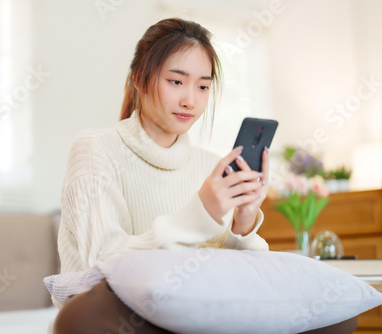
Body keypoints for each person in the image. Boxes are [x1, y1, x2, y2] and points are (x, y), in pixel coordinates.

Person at [50, 18, 357, 334]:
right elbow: (104, 262)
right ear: (139, 79)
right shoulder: (95, 148)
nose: (190, 101)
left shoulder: (210, 165)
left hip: (192, 314)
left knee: (336, 312)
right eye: (176, 82)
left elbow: (224, 276)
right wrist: (202, 212)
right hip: (122, 314)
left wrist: (243, 220)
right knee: (85, 318)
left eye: (203, 86)